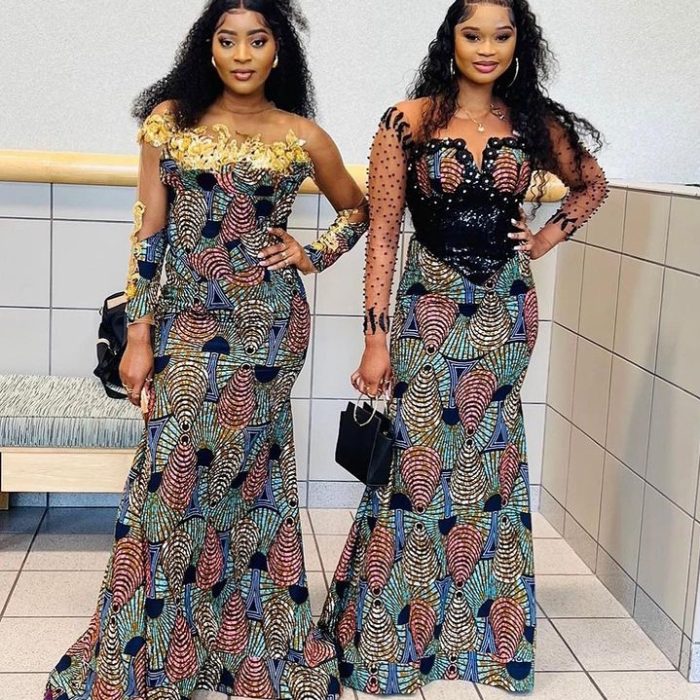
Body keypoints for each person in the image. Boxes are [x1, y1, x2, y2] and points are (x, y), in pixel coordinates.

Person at [44, 1, 367, 699]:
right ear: (208, 48)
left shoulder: (301, 134)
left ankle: (243, 645)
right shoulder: (170, 121)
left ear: (278, 51)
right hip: (185, 318)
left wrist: (311, 254)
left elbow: (357, 208)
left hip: (270, 325)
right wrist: (137, 334)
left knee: (252, 475)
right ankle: (153, 648)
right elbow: (149, 234)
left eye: (257, 40)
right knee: (171, 474)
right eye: (228, 40)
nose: (242, 54)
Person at [319, 0, 608, 695]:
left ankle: (483, 644)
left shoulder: (533, 122)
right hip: (427, 308)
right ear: (449, 39)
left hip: (506, 311)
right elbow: (383, 237)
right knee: (417, 463)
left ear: (519, 43)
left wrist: (545, 238)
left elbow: (593, 184)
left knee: (489, 461)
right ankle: (394, 644)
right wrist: (375, 338)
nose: (486, 48)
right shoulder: (407, 122)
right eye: (472, 34)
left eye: (501, 36)